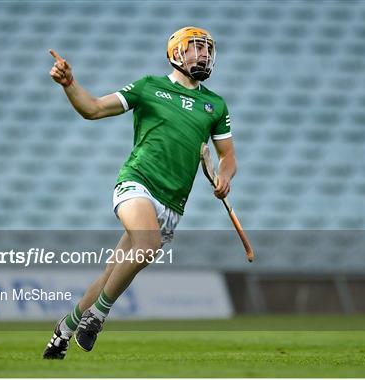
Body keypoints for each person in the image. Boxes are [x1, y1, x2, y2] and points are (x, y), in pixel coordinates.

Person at [43, 26, 236, 359]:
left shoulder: (215, 105)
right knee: (146, 245)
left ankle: (64, 330)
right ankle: (97, 318)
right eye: (196, 48)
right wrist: (69, 84)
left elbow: (227, 156)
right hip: (137, 182)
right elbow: (92, 108)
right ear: (176, 53)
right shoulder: (149, 87)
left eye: (207, 50)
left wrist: (225, 177)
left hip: (173, 201)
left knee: (111, 272)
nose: (204, 55)